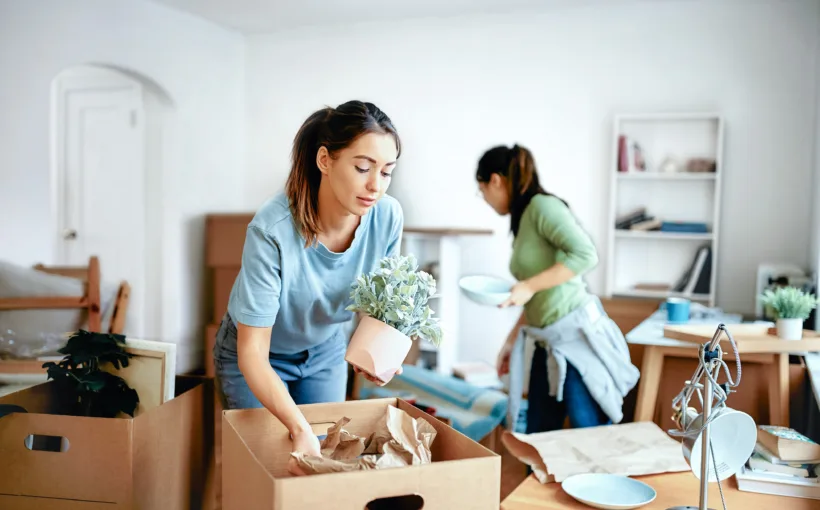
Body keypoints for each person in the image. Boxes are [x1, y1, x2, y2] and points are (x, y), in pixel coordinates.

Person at [212, 100, 404, 459]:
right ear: (325, 161)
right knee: (266, 467)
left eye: (387, 171)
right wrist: (299, 428)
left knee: (324, 462)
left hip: (325, 349)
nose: (375, 185)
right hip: (257, 355)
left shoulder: (387, 216)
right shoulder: (272, 229)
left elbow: (378, 303)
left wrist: (379, 350)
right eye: (363, 167)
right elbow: (252, 351)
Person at [475, 144, 639, 434]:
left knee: (587, 436)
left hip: (576, 341)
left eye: (482, 190)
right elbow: (535, 295)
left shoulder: (542, 206)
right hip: (545, 343)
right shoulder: (523, 219)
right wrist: (511, 341)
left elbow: (586, 254)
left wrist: (527, 285)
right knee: (538, 441)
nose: (484, 198)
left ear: (496, 181)